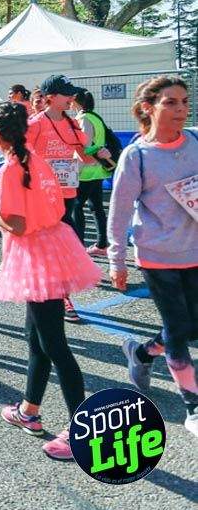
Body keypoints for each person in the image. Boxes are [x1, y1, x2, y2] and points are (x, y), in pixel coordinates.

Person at [0, 101, 100, 461]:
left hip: (36, 254)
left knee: (55, 344)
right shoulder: (35, 159)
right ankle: (29, 409)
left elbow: (16, 224)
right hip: (55, 244)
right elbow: (52, 208)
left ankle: (82, 430)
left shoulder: (14, 168)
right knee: (36, 338)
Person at [109, 76, 198, 438]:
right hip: (157, 254)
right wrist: (116, 259)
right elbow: (118, 210)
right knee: (178, 329)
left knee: (192, 327)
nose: (180, 109)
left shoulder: (195, 140)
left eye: (184, 102)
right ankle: (192, 407)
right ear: (149, 107)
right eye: (171, 102)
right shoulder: (137, 156)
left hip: (195, 250)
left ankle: (142, 354)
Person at [26, 74, 111, 323]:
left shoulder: (73, 123)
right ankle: (57, 297)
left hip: (67, 196)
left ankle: (59, 295)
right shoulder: (35, 125)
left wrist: (100, 154)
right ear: (50, 98)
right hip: (42, 198)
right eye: (66, 94)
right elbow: (20, 157)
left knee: (65, 248)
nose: (72, 98)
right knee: (48, 251)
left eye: (72, 94)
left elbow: (84, 156)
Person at [72, 90, 113, 256]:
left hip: (85, 171)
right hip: (98, 168)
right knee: (96, 207)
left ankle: (79, 248)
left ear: (75, 101)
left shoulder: (83, 118)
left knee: (77, 207)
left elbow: (85, 146)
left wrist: (75, 169)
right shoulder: (95, 117)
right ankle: (102, 244)